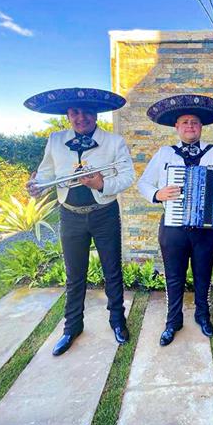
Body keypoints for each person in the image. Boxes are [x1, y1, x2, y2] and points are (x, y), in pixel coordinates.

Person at [25, 87, 135, 356]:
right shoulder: (55, 139)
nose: (81, 117)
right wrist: (36, 185)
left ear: (95, 115)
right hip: (70, 215)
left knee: (112, 272)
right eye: (75, 112)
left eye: (86, 112)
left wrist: (102, 183)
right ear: (68, 115)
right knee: (75, 276)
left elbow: (127, 177)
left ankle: (117, 321)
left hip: (103, 214)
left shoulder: (114, 141)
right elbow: (46, 173)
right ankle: (72, 328)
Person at [138, 95, 213, 346]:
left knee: (203, 275)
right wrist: (157, 194)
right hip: (173, 228)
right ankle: (173, 321)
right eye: (185, 122)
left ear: (201, 126)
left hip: (207, 229)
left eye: (194, 122)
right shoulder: (164, 154)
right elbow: (144, 183)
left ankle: (202, 315)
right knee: (174, 276)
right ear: (177, 127)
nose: (190, 126)